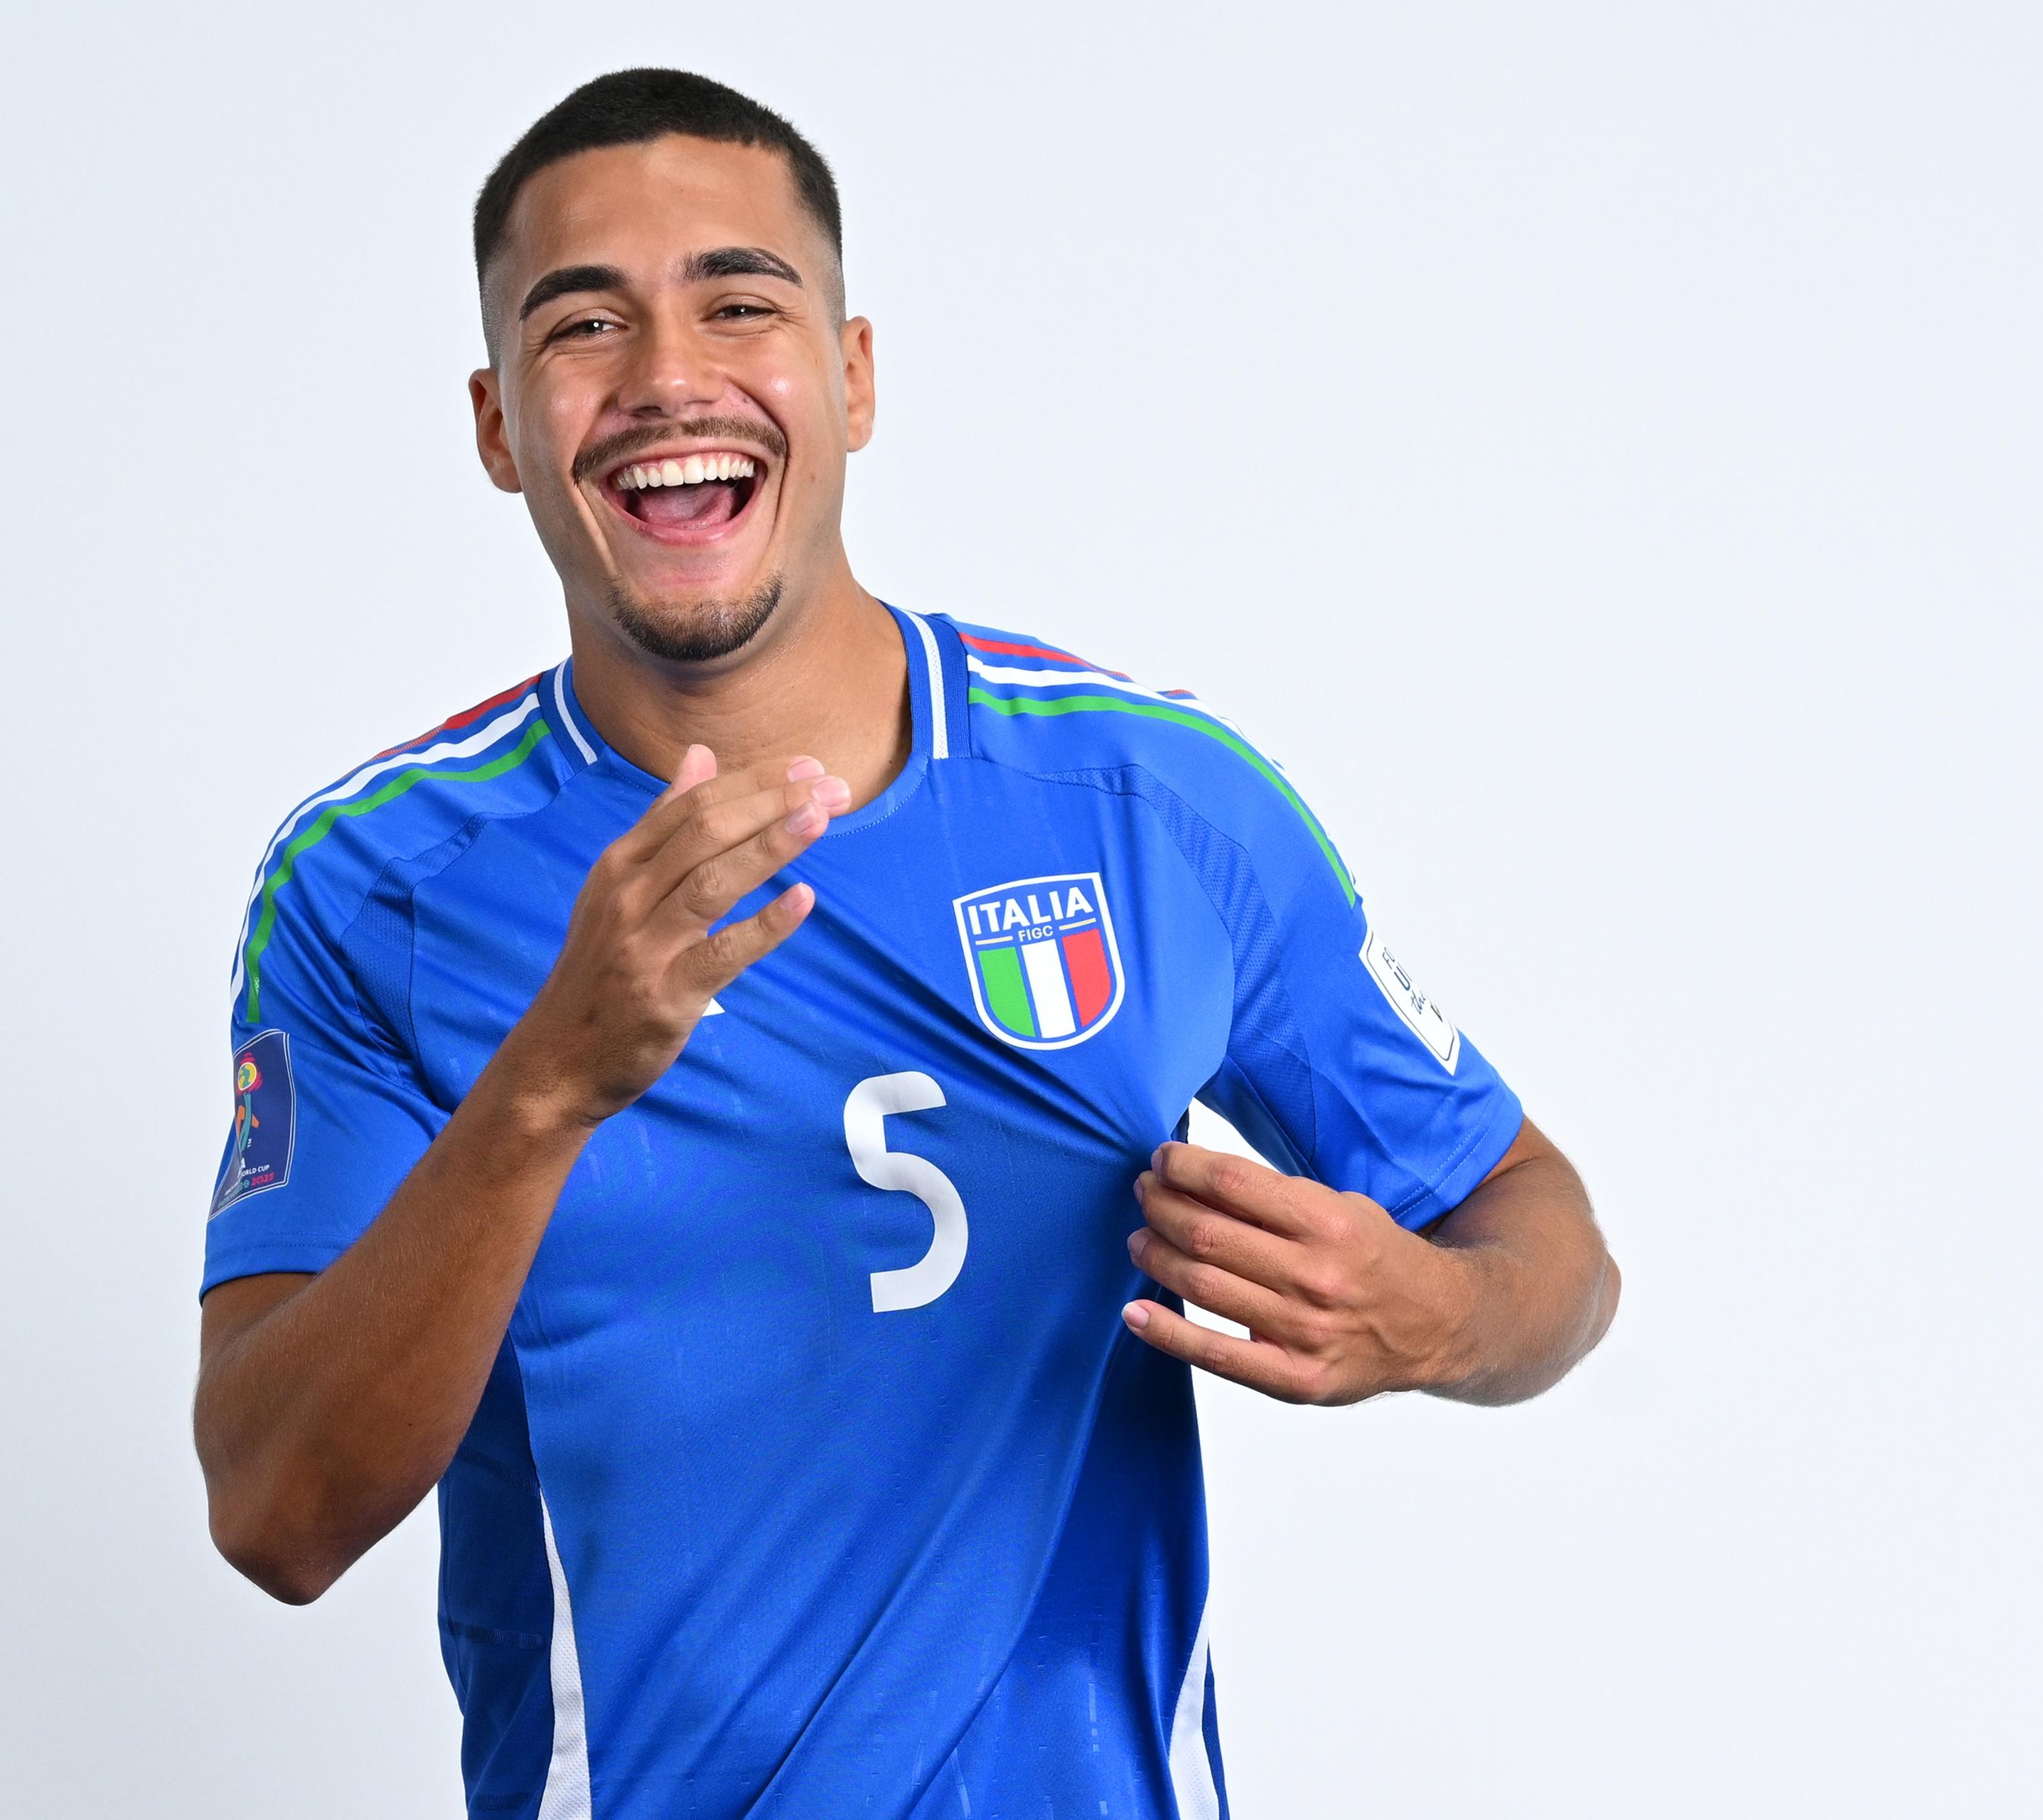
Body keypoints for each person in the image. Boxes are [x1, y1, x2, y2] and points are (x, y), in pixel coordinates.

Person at [193, 67, 1620, 1820]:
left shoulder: (1149, 802)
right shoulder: (377, 886)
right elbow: (277, 1510)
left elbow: (1543, 1231)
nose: (666, 376)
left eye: (739, 302)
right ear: (499, 426)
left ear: (854, 375)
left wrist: (1438, 1312)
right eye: (584, 323)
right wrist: (546, 1088)